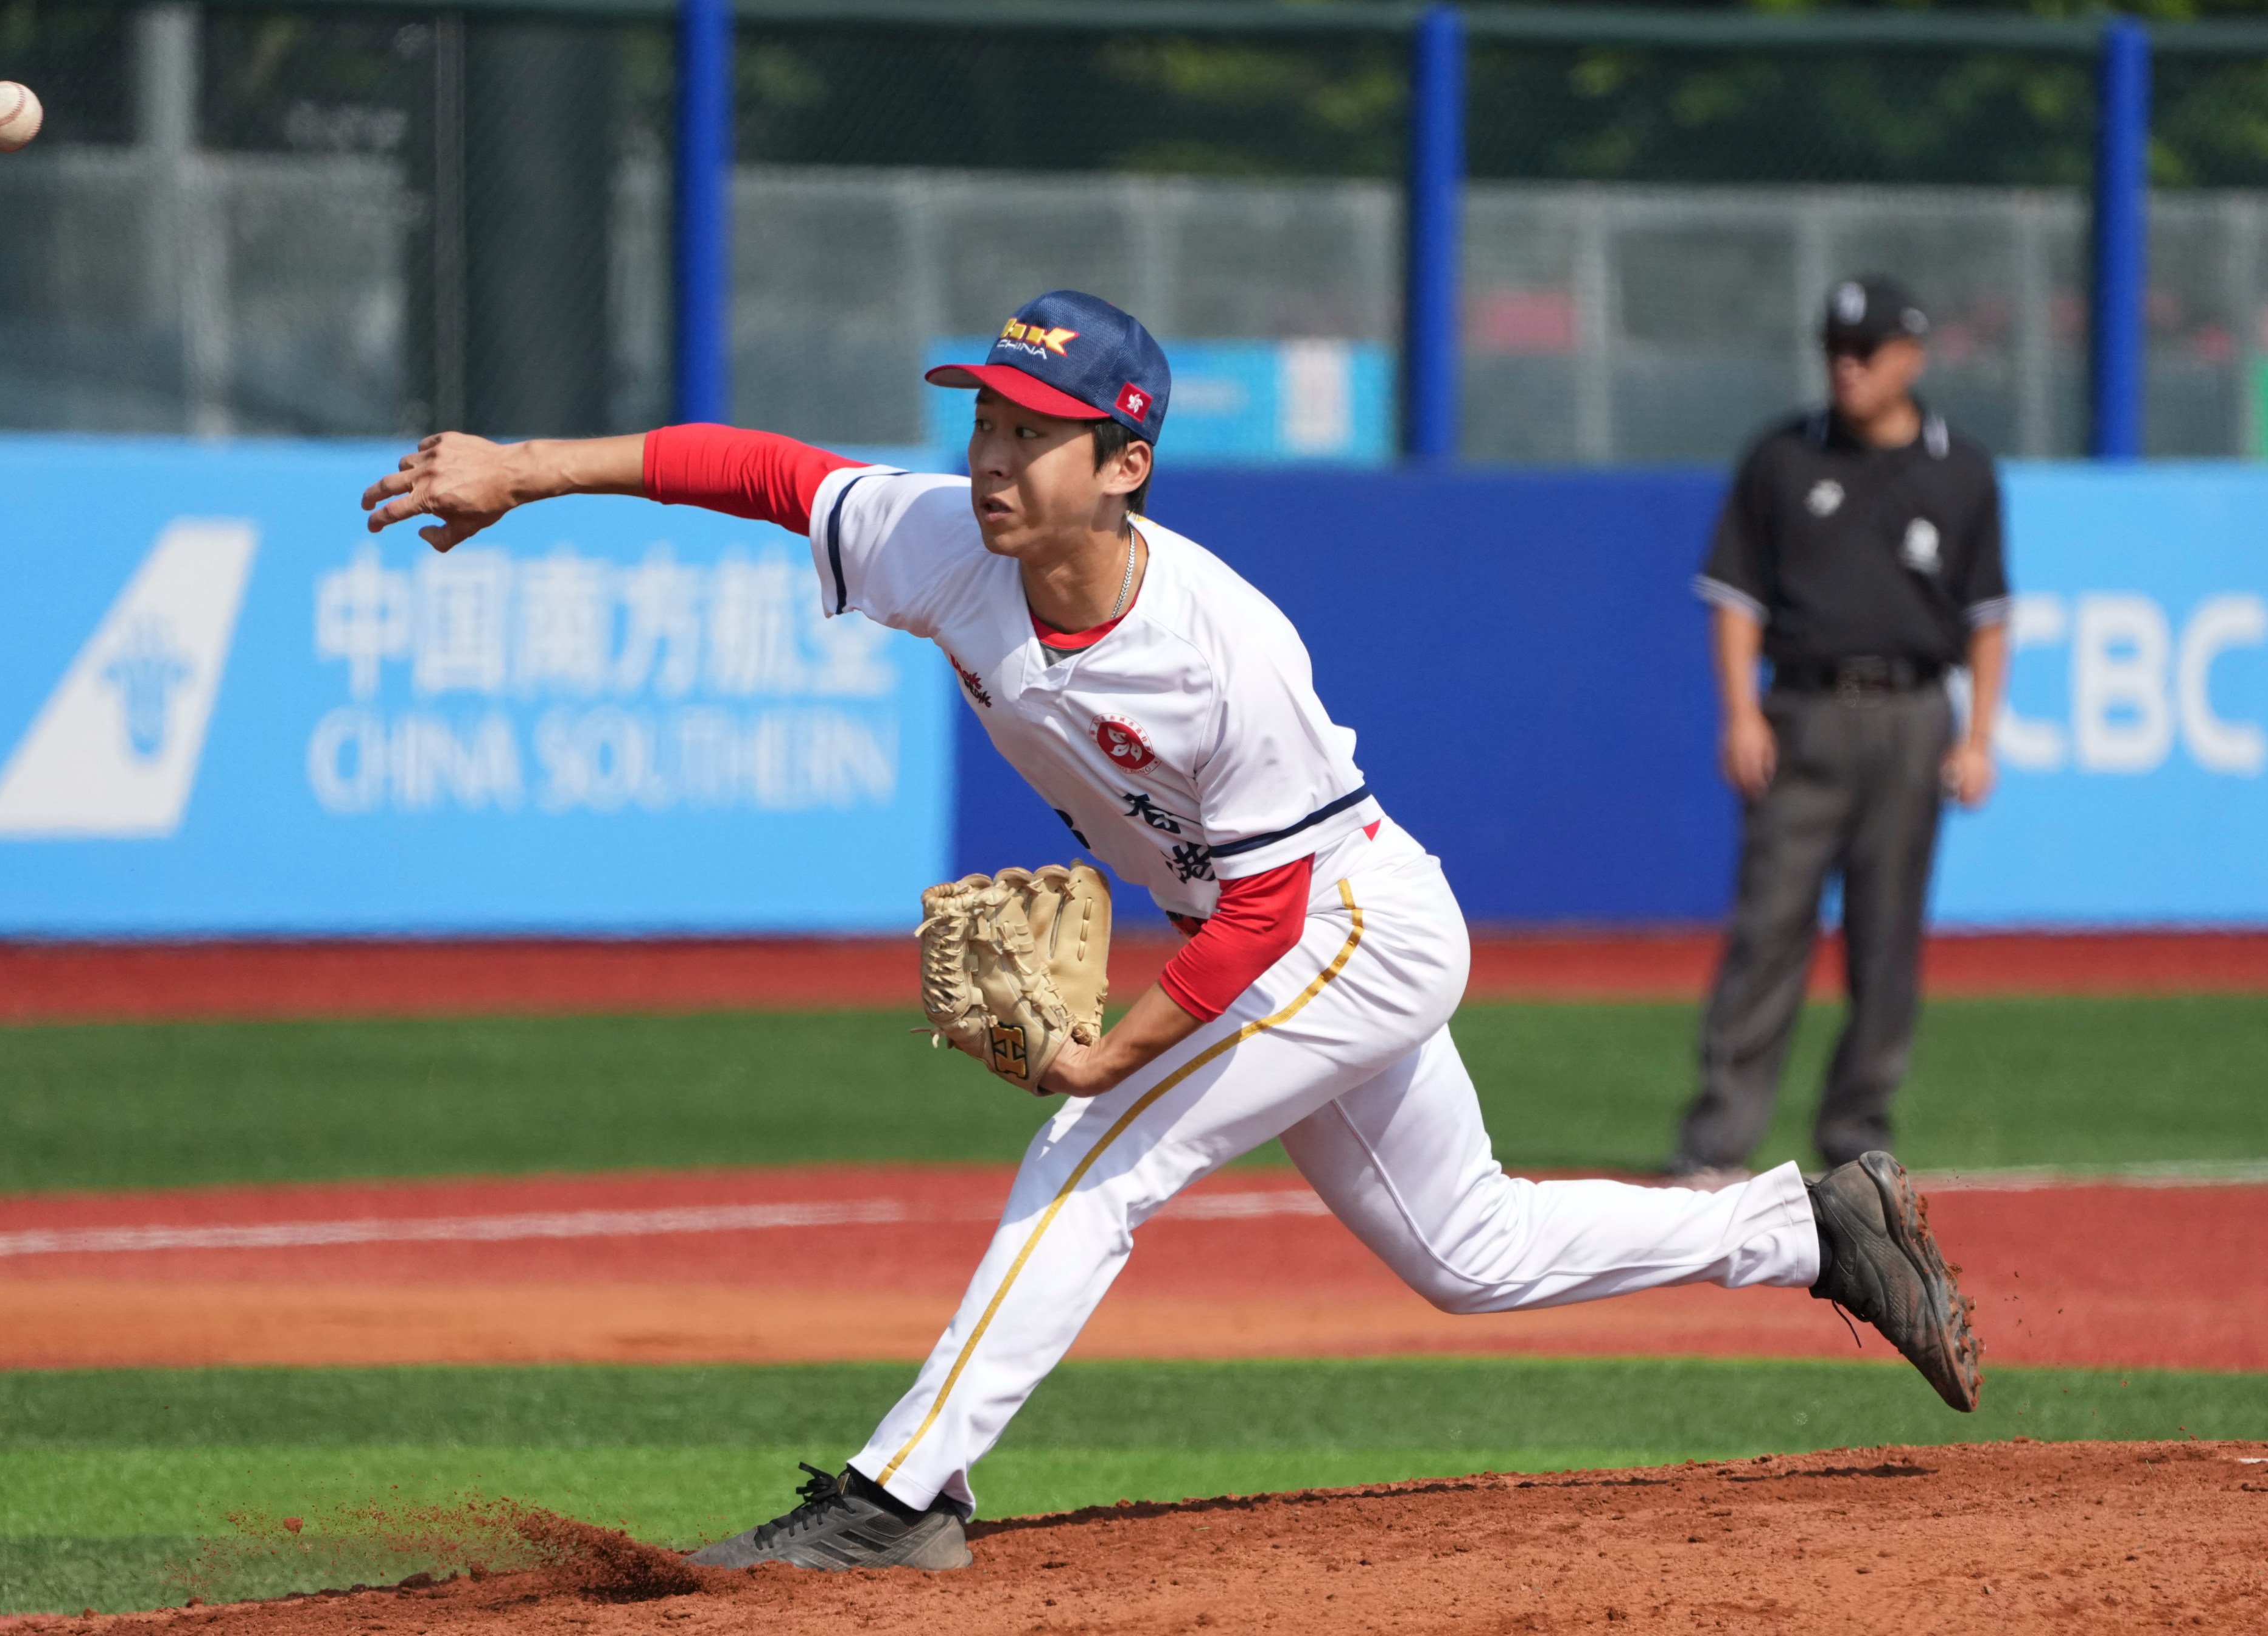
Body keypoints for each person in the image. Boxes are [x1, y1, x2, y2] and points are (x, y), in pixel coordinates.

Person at [361, 289, 1983, 1575]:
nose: (997, 456)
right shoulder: (946, 542)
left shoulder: (1219, 651)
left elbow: (1269, 911)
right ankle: (1805, 1229)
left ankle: (901, 1494)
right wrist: (524, 467)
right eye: (987, 418)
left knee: (1100, 1150)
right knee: (1469, 1254)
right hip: (1278, 921)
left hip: (1345, 921)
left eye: (1042, 433)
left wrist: (1108, 1051)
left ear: (1125, 466)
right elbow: (767, 474)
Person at [1671, 276, 2012, 1189]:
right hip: (1804, 712)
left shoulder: (1961, 469)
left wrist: (1978, 735)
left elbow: (1987, 615)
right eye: (1834, 347)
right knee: (1769, 929)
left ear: (1912, 355)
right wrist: (1740, 710)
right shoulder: (1782, 458)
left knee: (1887, 938)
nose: (1846, 364)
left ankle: (1858, 1139)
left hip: (1912, 716)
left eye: (1865, 348)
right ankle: (1717, 1143)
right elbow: (1736, 597)